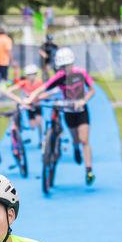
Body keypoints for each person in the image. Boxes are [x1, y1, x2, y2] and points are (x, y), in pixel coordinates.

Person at [27, 47, 97, 185]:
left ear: (72, 63)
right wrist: (31, 98)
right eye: (62, 67)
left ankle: (88, 170)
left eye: (67, 65)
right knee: (76, 139)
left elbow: (92, 90)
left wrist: (84, 100)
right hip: (68, 112)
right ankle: (75, 148)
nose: (65, 69)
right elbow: (43, 88)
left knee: (84, 140)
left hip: (82, 111)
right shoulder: (59, 77)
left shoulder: (81, 73)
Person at [10, 64, 43, 140]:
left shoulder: (39, 82)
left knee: (39, 122)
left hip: (37, 105)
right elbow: (10, 90)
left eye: (33, 74)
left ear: (36, 74)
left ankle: (42, 139)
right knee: (32, 126)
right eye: (29, 75)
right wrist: (18, 99)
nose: (31, 76)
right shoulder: (24, 82)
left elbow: (44, 93)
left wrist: (38, 98)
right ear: (27, 75)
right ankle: (19, 129)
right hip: (28, 105)